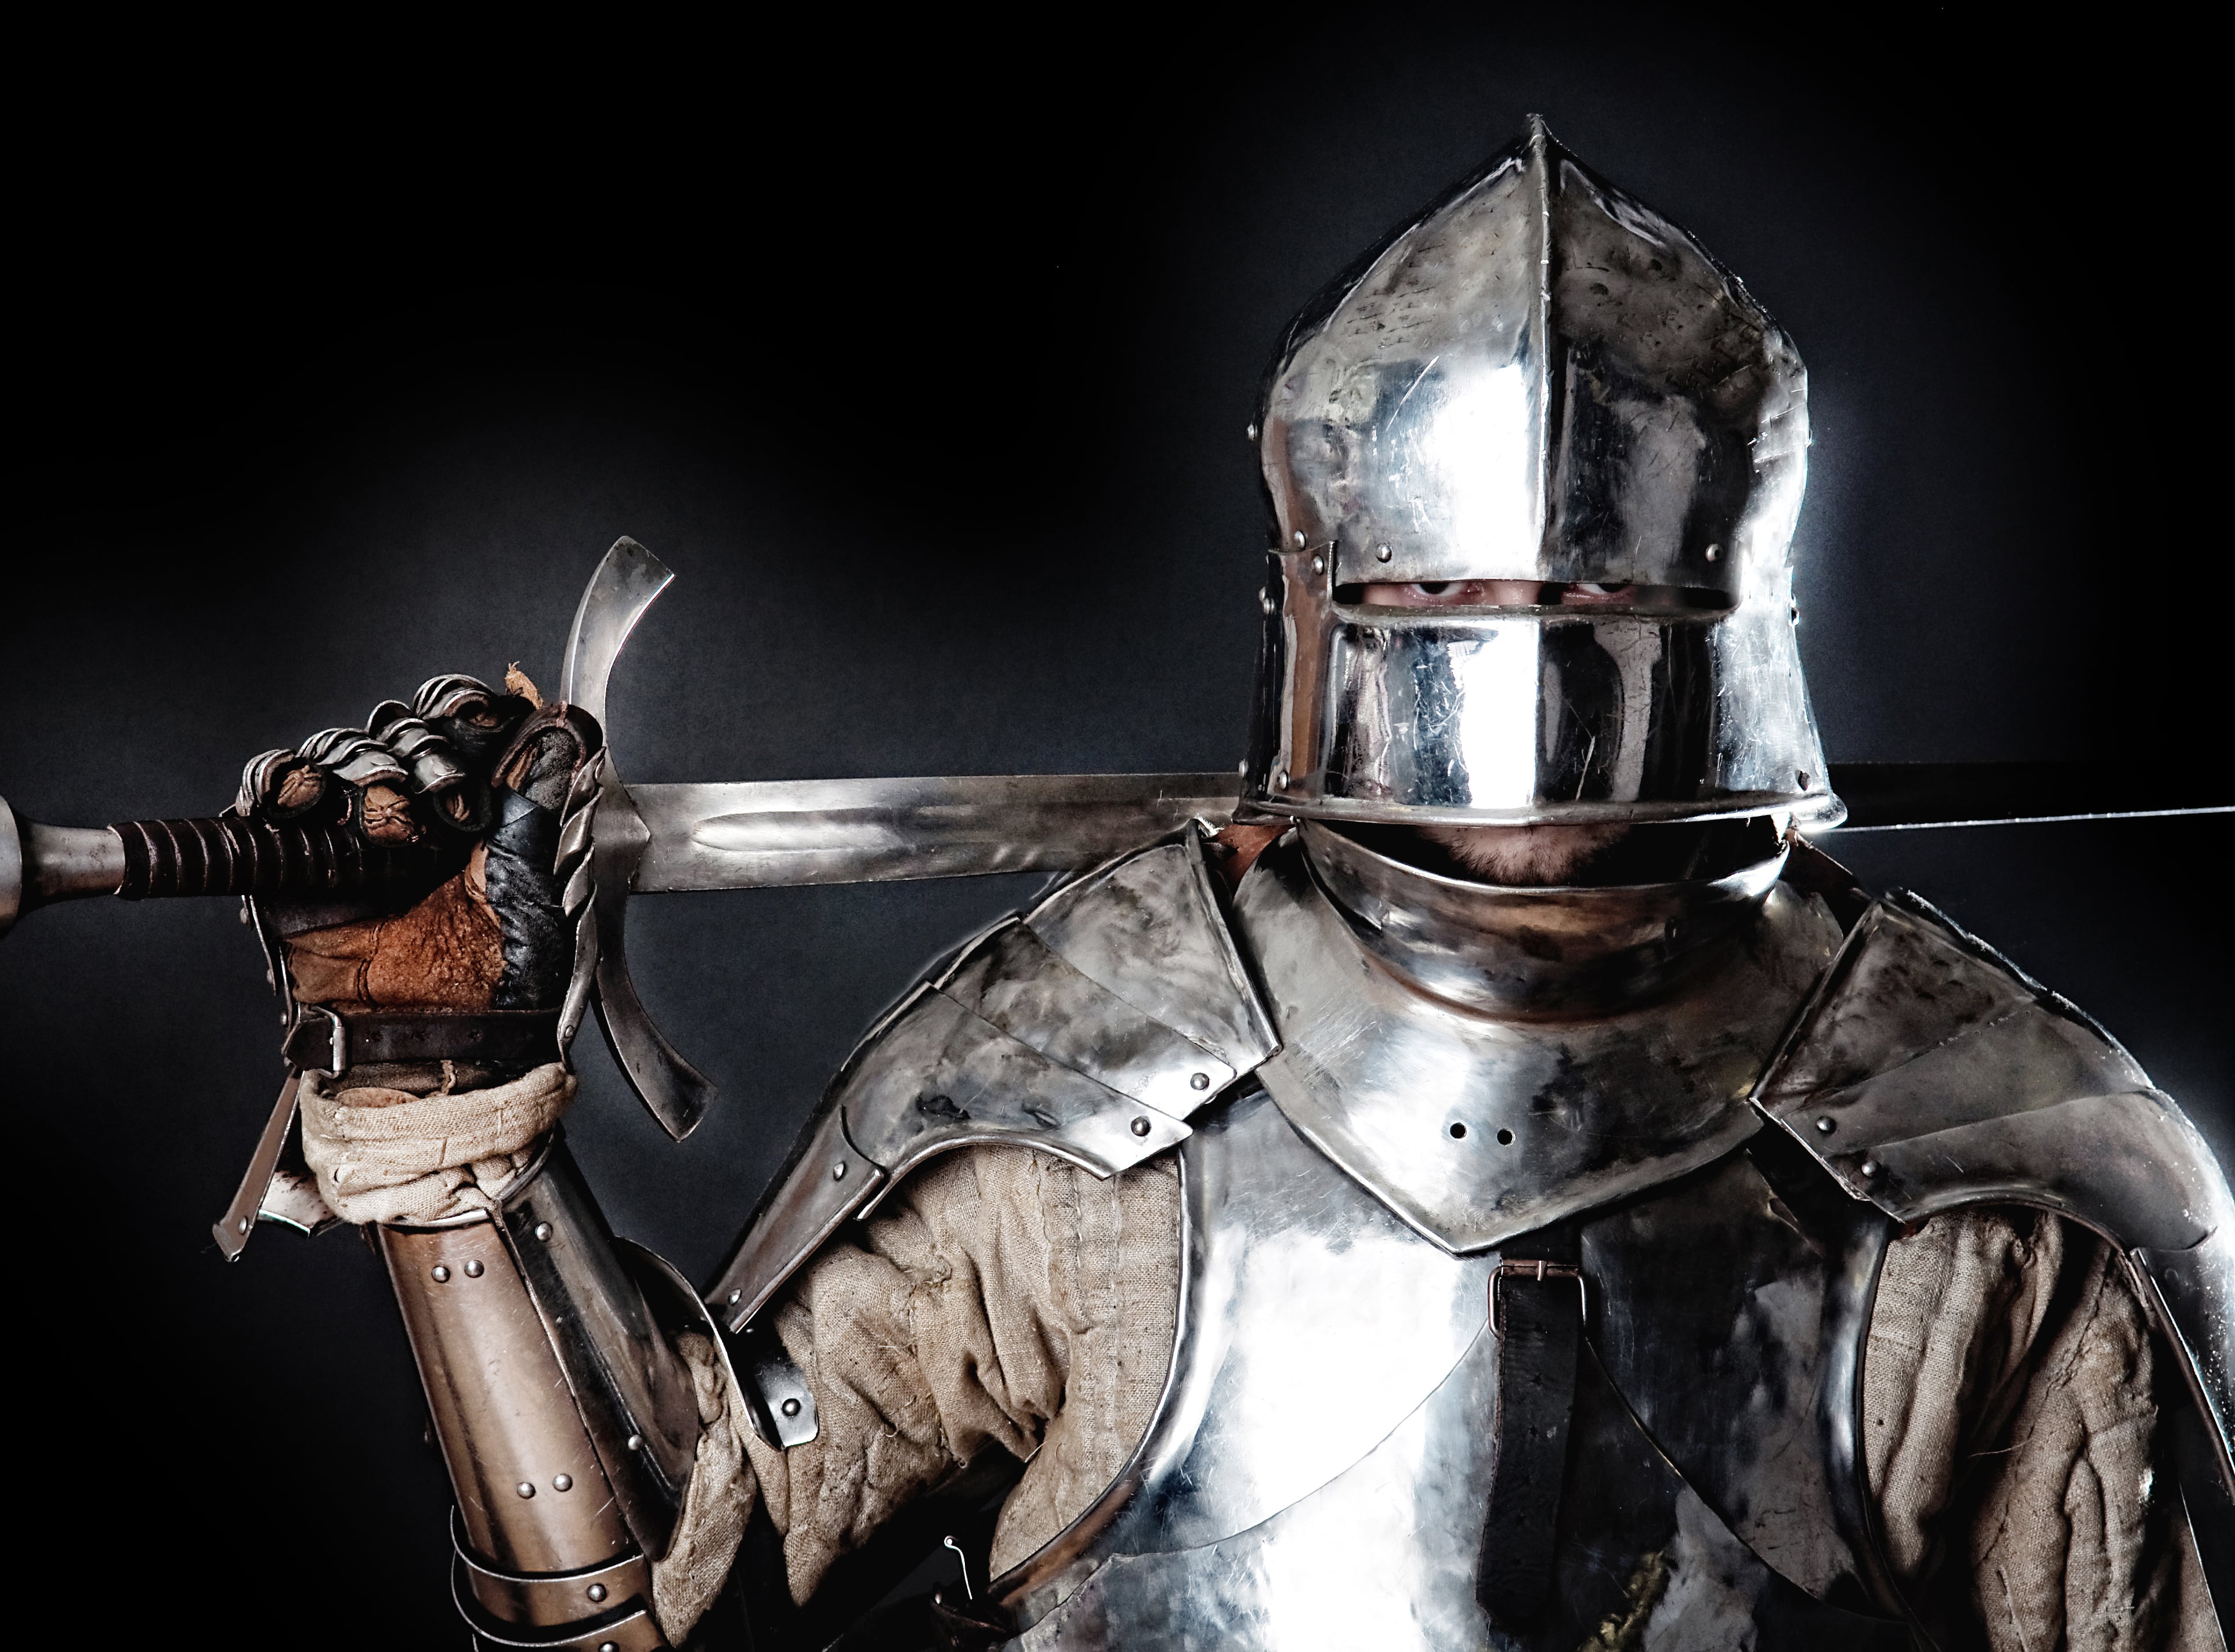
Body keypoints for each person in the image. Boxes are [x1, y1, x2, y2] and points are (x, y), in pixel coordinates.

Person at [227, 123, 2231, 1651]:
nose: (1518, 678)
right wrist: (439, 1103)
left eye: (1581, 607)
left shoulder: (1987, 1168)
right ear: (1332, 602)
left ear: (1715, 612)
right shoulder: (1082, 1089)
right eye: (1447, 601)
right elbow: (659, 1594)